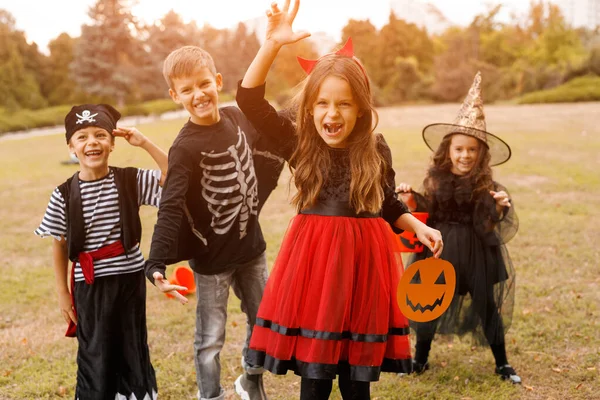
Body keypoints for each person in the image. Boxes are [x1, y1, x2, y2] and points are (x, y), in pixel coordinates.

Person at [236, 2, 443, 399]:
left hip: (366, 265)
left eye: (344, 103)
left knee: (356, 380)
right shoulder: (298, 143)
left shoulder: (375, 148)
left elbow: (386, 204)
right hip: (316, 264)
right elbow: (250, 101)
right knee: (314, 379)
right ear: (310, 107)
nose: (332, 113)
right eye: (323, 104)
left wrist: (418, 225)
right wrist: (271, 46)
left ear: (361, 108)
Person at [144, 45, 284, 400]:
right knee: (210, 339)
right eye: (187, 89)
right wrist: (156, 263)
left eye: (204, 83)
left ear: (218, 81)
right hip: (211, 263)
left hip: (252, 249)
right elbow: (171, 205)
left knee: (264, 321)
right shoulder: (184, 148)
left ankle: (251, 379)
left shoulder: (238, 117)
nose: (198, 94)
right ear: (175, 96)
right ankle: (211, 396)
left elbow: (272, 142)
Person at [35, 104, 168, 399]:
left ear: (112, 143)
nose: (92, 142)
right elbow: (58, 243)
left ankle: (137, 394)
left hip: (129, 278)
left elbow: (173, 175)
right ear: (71, 147)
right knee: (95, 348)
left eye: (100, 135)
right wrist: (62, 293)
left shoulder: (130, 180)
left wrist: (144, 142)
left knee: (131, 343)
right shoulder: (64, 194)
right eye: (81, 137)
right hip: (89, 283)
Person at [396, 72, 521, 384]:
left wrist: (499, 207)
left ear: (481, 154)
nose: (465, 155)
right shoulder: (436, 179)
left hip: (476, 253)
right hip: (438, 251)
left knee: (487, 306)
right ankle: (420, 358)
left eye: (472, 150)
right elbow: (427, 212)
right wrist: (412, 199)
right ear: (448, 151)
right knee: (429, 303)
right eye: (459, 149)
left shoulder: (486, 184)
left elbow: (485, 222)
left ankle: (502, 363)